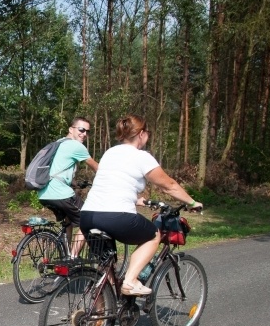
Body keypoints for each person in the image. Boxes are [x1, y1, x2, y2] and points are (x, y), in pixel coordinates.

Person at [79, 114, 202, 296]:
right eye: (148, 133)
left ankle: (102, 312)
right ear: (141, 134)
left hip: (87, 216)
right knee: (153, 235)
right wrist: (192, 202)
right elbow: (169, 186)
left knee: (107, 264)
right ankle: (130, 281)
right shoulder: (141, 156)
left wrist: (138, 200)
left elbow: (112, 185)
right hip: (116, 216)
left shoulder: (110, 153)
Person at [37, 117, 99, 257]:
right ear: (71, 129)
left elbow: (59, 170)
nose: (84, 134)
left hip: (44, 193)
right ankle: (73, 258)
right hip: (60, 193)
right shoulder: (76, 146)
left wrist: (75, 183)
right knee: (88, 220)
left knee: (69, 221)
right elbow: (97, 167)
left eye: (87, 131)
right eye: (81, 130)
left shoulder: (58, 143)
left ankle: (64, 256)